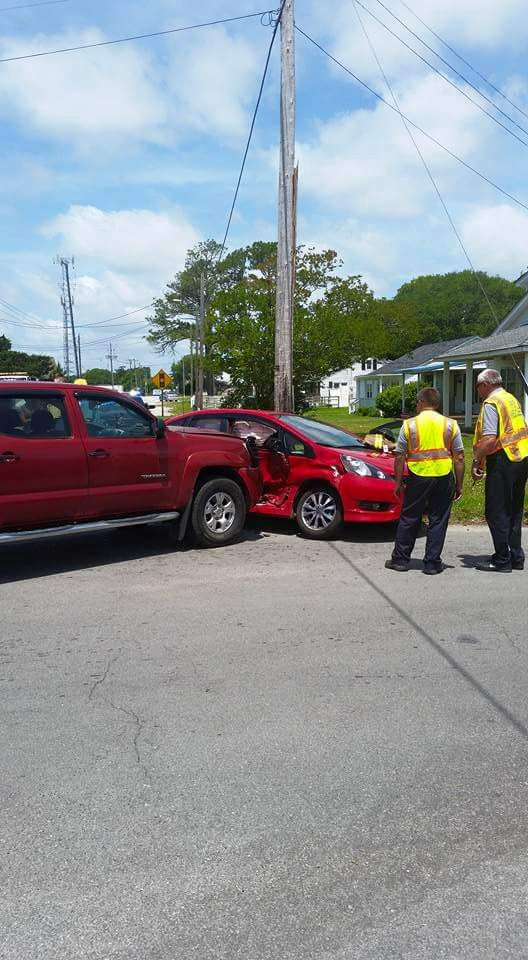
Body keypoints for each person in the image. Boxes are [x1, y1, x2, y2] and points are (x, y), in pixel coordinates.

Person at [385, 387, 465, 575]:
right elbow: (459, 457)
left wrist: (397, 483)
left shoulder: (409, 425)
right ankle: (432, 563)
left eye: (417, 402)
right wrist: (459, 485)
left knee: (410, 517)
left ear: (421, 402)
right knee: (438, 519)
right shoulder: (451, 424)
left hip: (418, 475)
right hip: (444, 476)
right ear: (437, 404)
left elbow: (399, 456)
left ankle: (400, 560)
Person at [472, 368, 528, 572]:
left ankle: (502, 560)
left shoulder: (491, 403)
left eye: (478, 386)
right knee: (514, 510)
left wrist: (477, 460)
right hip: (521, 458)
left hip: (503, 461)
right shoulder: (511, 399)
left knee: (496, 512)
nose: (478, 391)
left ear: (485, 384)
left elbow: (489, 439)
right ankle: (516, 556)